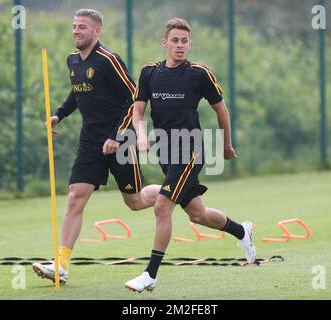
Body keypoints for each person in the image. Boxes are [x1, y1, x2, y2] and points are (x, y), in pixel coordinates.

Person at [124, 18, 256, 293]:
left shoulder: (199, 74)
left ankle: (150, 274)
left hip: (191, 150)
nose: (180, 46)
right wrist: (142, 133)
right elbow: (137, 110)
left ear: (189, 44)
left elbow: (222, 110)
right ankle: (242, 231)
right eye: (175, 40)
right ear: (165, 43)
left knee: (162, 207)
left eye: (185, 41)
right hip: (165, 151)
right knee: (198, 214)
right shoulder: (149, 72)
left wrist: (226, 145)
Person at [32, 9, 160, 284]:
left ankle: (172, 191)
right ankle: (61, 265)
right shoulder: (72, 61)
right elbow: (77, 94)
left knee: (135, 201)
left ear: (96, 31)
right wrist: (60, 114)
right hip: (90, 140)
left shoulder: (109, 60)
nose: (76, 31)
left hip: (121, 141)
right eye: (74, 27)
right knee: (76, 196)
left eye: (82, 27)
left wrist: (117, 135)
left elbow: (135, 99)